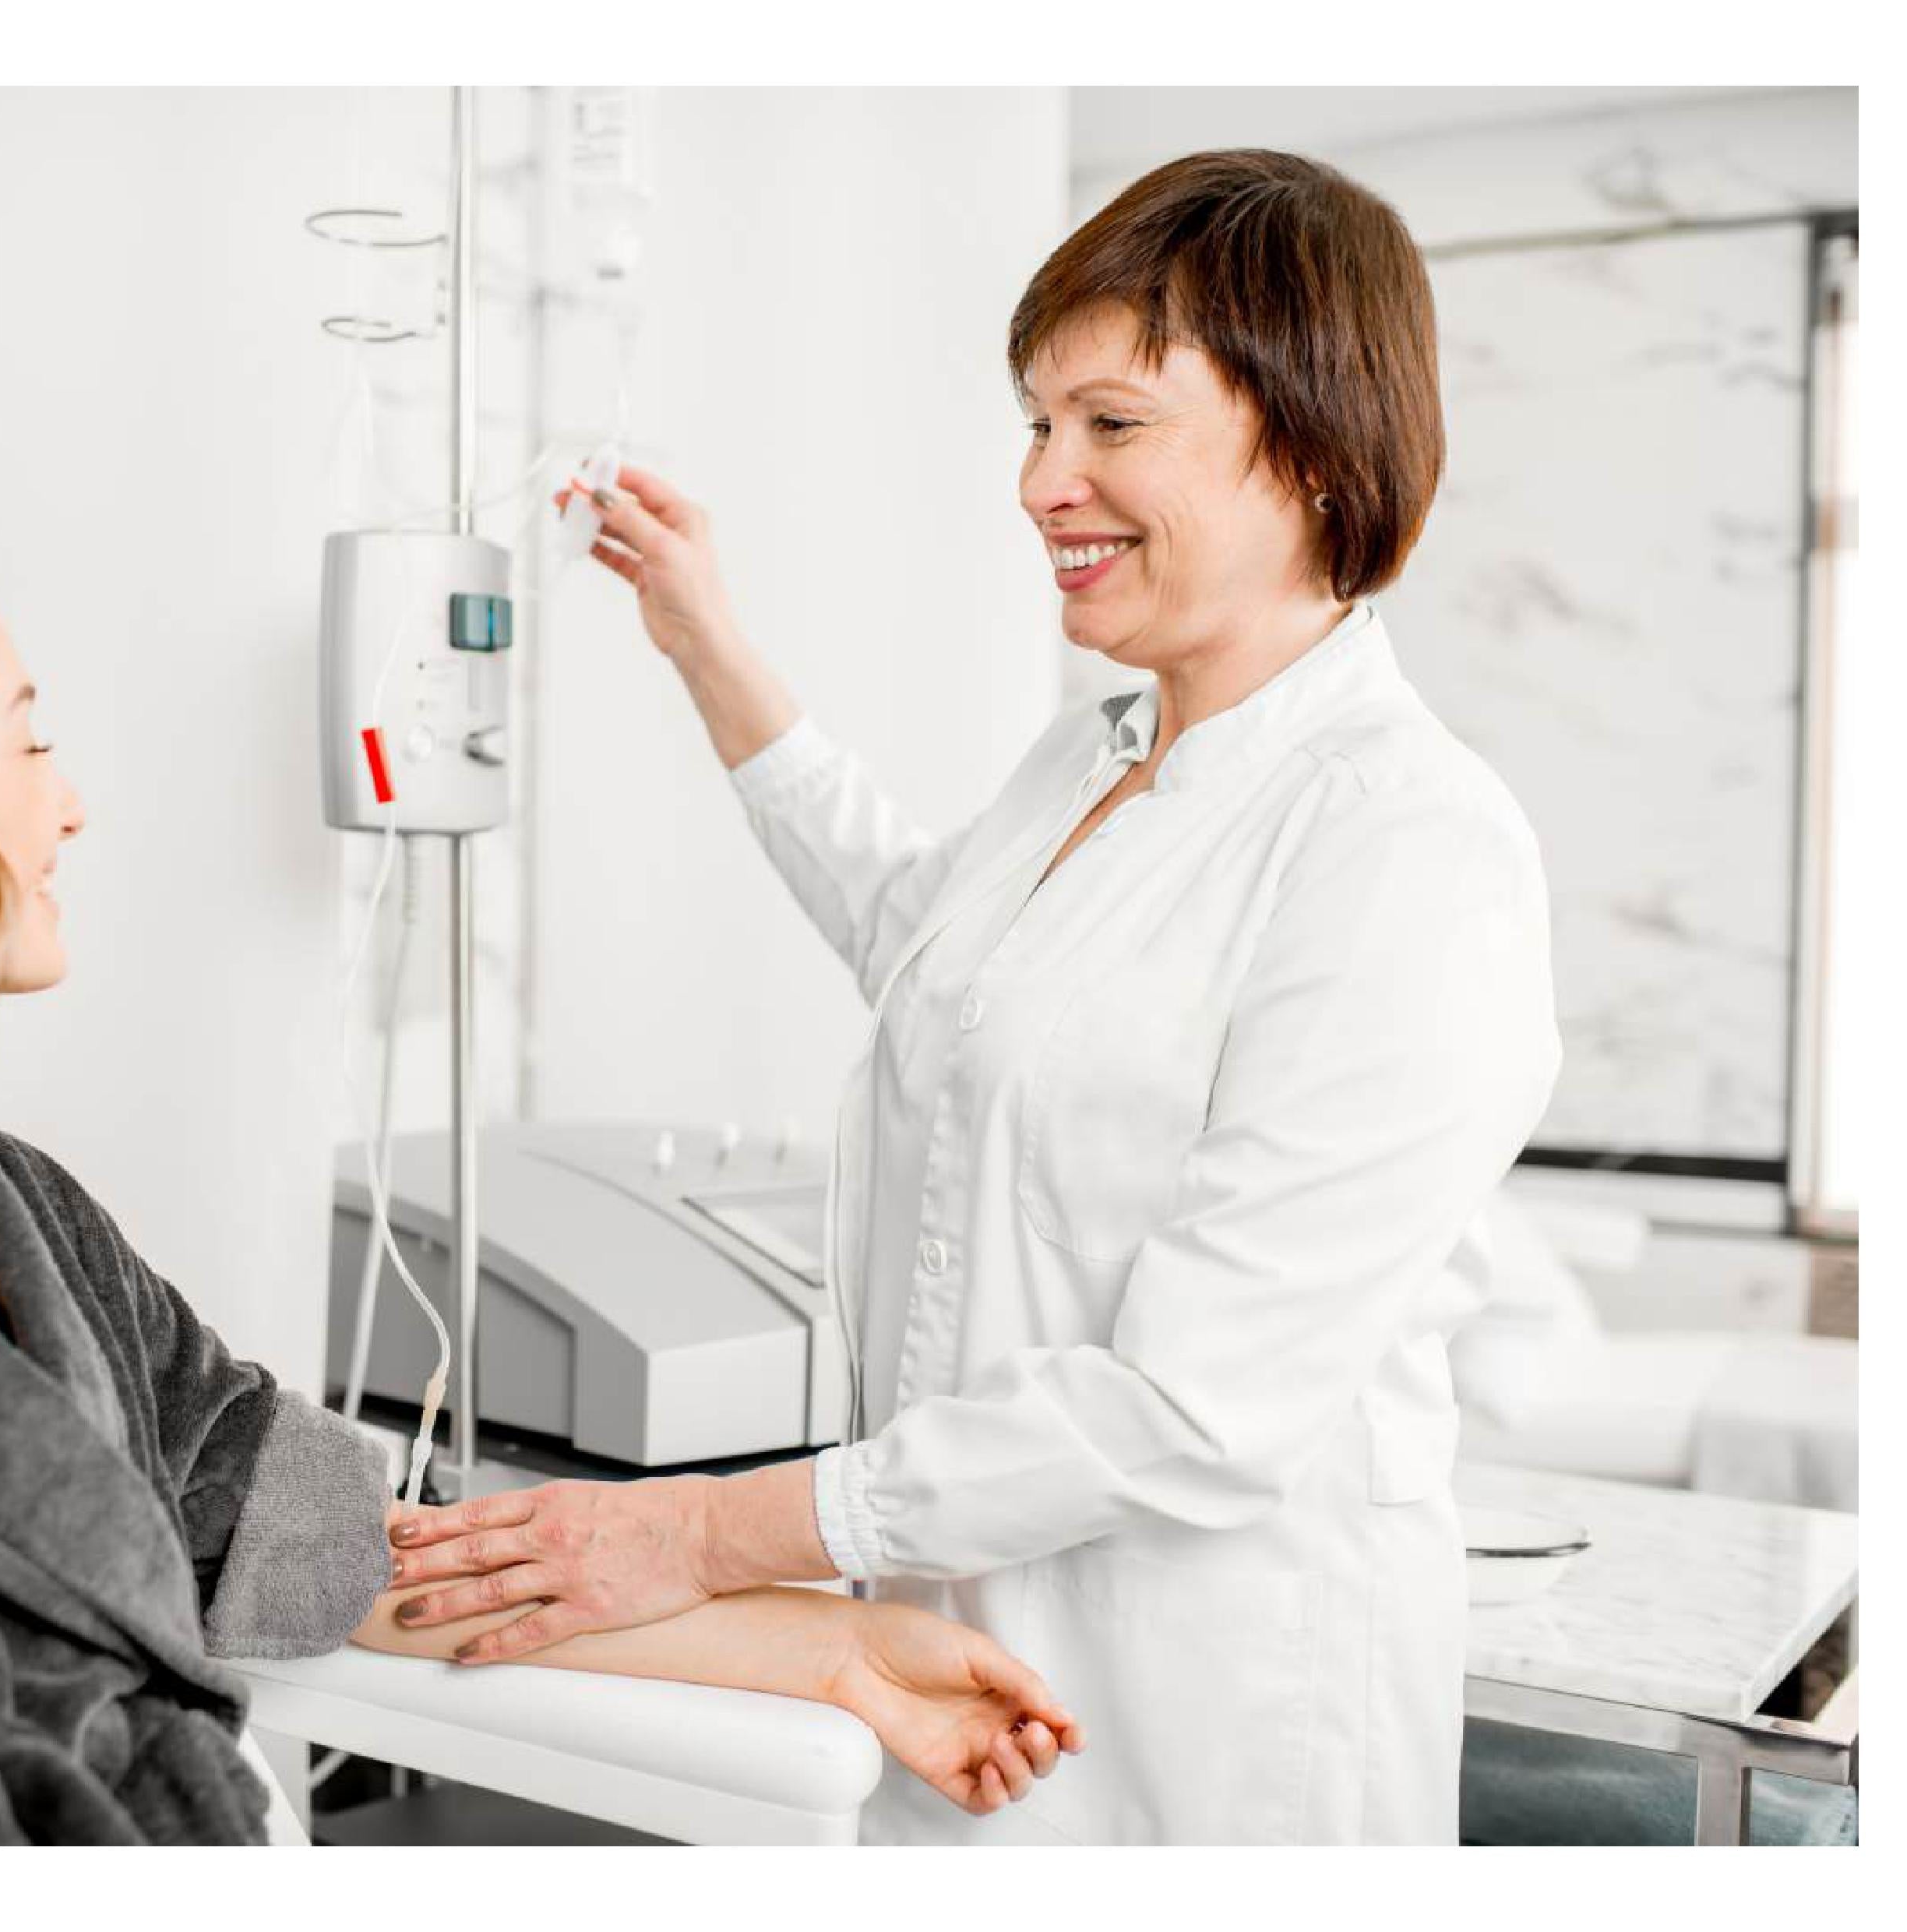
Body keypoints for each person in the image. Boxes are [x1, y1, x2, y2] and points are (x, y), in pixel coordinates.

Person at [0, 519, 1080, 1844]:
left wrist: (830, 1647)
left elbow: (320, 1544)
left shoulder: (9, 1207)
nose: (72, 807)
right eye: (28, 743)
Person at [386, 148, 1563, 1845]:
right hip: (957, 1675)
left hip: (1208, 1736)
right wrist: (707, 643)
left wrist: (692, 1536)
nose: (1039, 483)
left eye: (1109, 423)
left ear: (1311, 444)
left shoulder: (1407, 846)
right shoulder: (1097, 757)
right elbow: (940, 960)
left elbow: (1193, 1407)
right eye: (1035, 424)